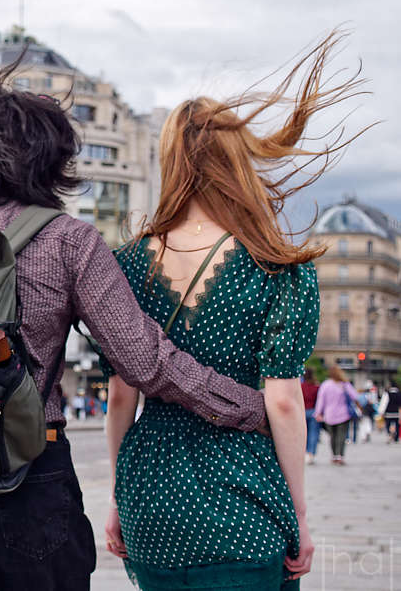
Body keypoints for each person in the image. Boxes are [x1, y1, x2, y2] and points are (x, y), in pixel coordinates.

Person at [0, 50, 275, 591]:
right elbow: (145, 361)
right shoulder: (68, 240)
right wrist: (251, 407)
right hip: (27, 475)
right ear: (55, 161)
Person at [101, 30, 365, 591]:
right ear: (236, 161)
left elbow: (122, 394)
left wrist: (120, 498)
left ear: (170, 160)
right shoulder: (278, 265)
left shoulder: (123, 265)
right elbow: (285, 403)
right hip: (244, 508)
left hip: (153, 507)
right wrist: (299, 517)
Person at [315, 366, 359, 464]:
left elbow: (321, 400)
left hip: (329, 415)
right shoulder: (344, 384)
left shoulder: (325, 385)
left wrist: (318, 413)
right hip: (343, 414)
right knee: (341, 436)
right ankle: (340, 456)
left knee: (332, 436)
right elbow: (355, 396)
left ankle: (334, 455)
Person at [301, 368, 321, 464]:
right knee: (313, 434)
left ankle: (303, 453)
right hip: (313, 411)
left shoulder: (300, 387)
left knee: (302, 434)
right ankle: (311, 454)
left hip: (302, 412)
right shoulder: (316, 387)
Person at [377, 379, 401, 443]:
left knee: (388, 424)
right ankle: (396, 437)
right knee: (397, 425)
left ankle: (389, 434)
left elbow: (383, 403)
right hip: (397, 413)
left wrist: (381, 412)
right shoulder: (399, 394)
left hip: (388, 412)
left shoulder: (387, 393)